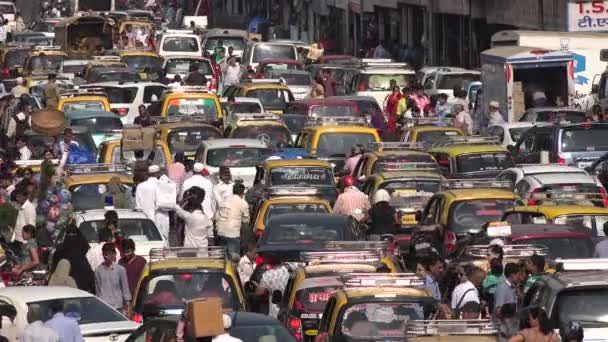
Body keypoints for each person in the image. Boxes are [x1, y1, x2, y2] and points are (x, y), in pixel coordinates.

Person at [52, 224, 95, 293]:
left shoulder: (61, 250)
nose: (71, 237)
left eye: (73, 234)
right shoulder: (82, 247)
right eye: (69, 234)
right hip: (78, 288)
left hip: (65, 290)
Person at [95, 243, 131, 315]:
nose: (108, 257)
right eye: (106, 254)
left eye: (110, 254)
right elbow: (98, 289)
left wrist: (127, 304)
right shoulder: (98, 270)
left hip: (118, 305)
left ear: (114, 254)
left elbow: (125, 287)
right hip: (104, 306)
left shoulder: (120, 269)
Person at [215, 183, 249, 260]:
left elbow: (217, 216)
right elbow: (246, 220)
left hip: (221, 232)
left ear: (233, 191)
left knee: (222, 258)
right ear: (243, 193)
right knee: (233, 259)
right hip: (233, 233)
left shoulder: (224, 201)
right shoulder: (243, 203)